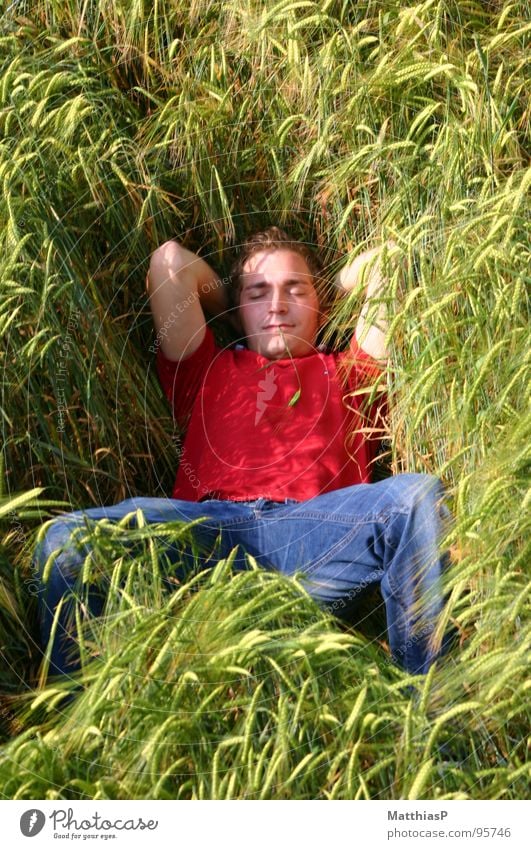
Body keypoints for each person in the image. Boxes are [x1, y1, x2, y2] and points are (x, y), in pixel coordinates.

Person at [35, 227, 451, 678]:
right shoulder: (204, 372)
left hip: (316, 531)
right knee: (66, 541)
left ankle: (430, 711)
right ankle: (77, 729)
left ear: (322, 304)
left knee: (416, 497)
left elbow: (389, 262)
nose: (276, 305)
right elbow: (169, 262)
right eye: (258, 294)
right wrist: (232, 310)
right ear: (238, 308)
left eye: (296, 289)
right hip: (208, 534)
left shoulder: (349, 374)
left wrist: (327, 291)